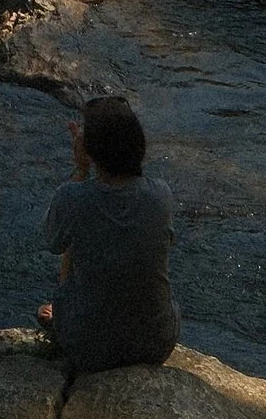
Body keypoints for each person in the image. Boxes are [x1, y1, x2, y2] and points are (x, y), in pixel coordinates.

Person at [38, 97, 177, 374]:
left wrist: (81, 169)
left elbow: (49, 239)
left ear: (89, 149)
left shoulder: (73, 198)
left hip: (90, 349)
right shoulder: (161, 194)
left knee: (72, 241)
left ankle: (59, 311)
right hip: (156, 343)